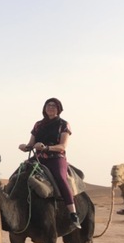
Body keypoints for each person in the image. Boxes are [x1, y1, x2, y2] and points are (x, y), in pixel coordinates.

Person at [18, 98, 81, 230]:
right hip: (38, 157)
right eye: (48, 105)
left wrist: (46, 148)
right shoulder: (38, 125)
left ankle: (73, 212)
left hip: (55, 157)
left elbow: (63, 146)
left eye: (54, 106)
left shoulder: (63, 124)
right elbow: (31, 144)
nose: (50, 108)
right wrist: (25, 147)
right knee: (19, 173)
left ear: (59, 108)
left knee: (60, 177)